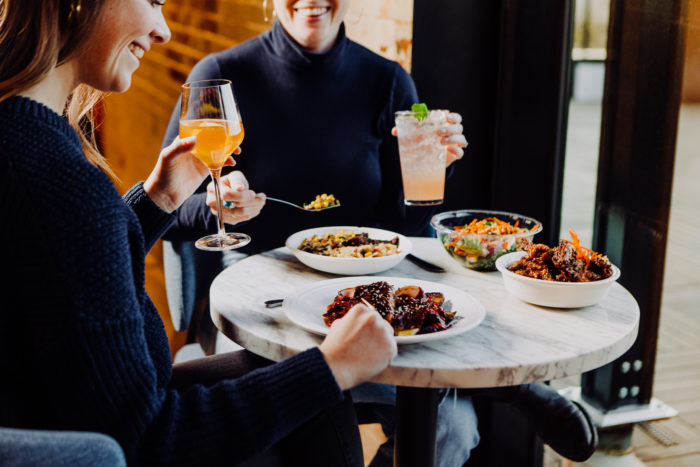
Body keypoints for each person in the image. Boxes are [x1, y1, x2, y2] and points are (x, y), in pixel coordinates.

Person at [0, 0, 398, 466]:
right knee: (317, 390)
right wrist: (333, 368)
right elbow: (148, 440)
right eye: (153, 3)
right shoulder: (61, 183)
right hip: (120, 440)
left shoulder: (25, 141)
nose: (164, 30)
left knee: (298, 382)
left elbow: (66, 274)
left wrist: (158, 201)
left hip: (62, 413)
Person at [159, 2, 477, 466]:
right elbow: (168, 211)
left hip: (360, 300)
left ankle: (519, 392)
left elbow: (402, 225)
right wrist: (214, 207)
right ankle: (523, 394)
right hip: (252, 305)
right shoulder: (222, 75)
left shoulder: (388, 81)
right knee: (310, 414)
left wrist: (431, 171)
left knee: (453, 426)